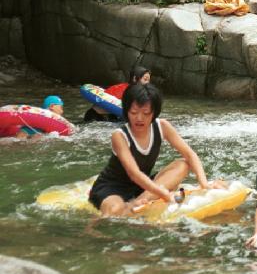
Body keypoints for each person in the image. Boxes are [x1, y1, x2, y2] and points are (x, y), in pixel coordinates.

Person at [88, 83, 223, 216]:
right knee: (115, 210)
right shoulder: (119, 135)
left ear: (154, 113)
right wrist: (162, 192)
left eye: (146, 113)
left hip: (142, 187)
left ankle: (138, 201)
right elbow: (134, 173)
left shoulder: (162, 126)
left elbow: (190, 154)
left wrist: (204, 184)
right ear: (126, 111)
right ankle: (138, 202)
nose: (139, 118)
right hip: (112, 188)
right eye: (134, 112)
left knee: (183, 164)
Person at [84, 66, 151, 123]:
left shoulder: (130, 89)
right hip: (96, 115)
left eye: (149, 80)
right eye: (145, 79)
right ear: (134, 78)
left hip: (111, 116)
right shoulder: (125, 89)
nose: (148, 83)